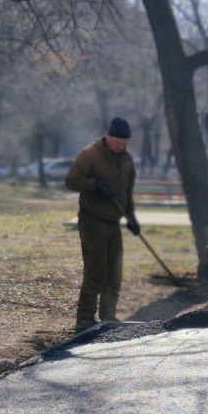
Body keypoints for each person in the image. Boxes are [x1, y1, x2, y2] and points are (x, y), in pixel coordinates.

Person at [65, 117, 141, 332]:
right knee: (96, 270)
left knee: (114, 272)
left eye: (124, 144)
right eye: (117, 143)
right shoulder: (90, 155)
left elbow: (127, 193)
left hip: (113, 221)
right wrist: (94, 185)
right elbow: (71, 181)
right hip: (93, 220)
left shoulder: (127, 161)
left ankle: (108, 316)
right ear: (107, 137)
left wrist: (132, 218)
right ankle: (85, 319)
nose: (121, 147)